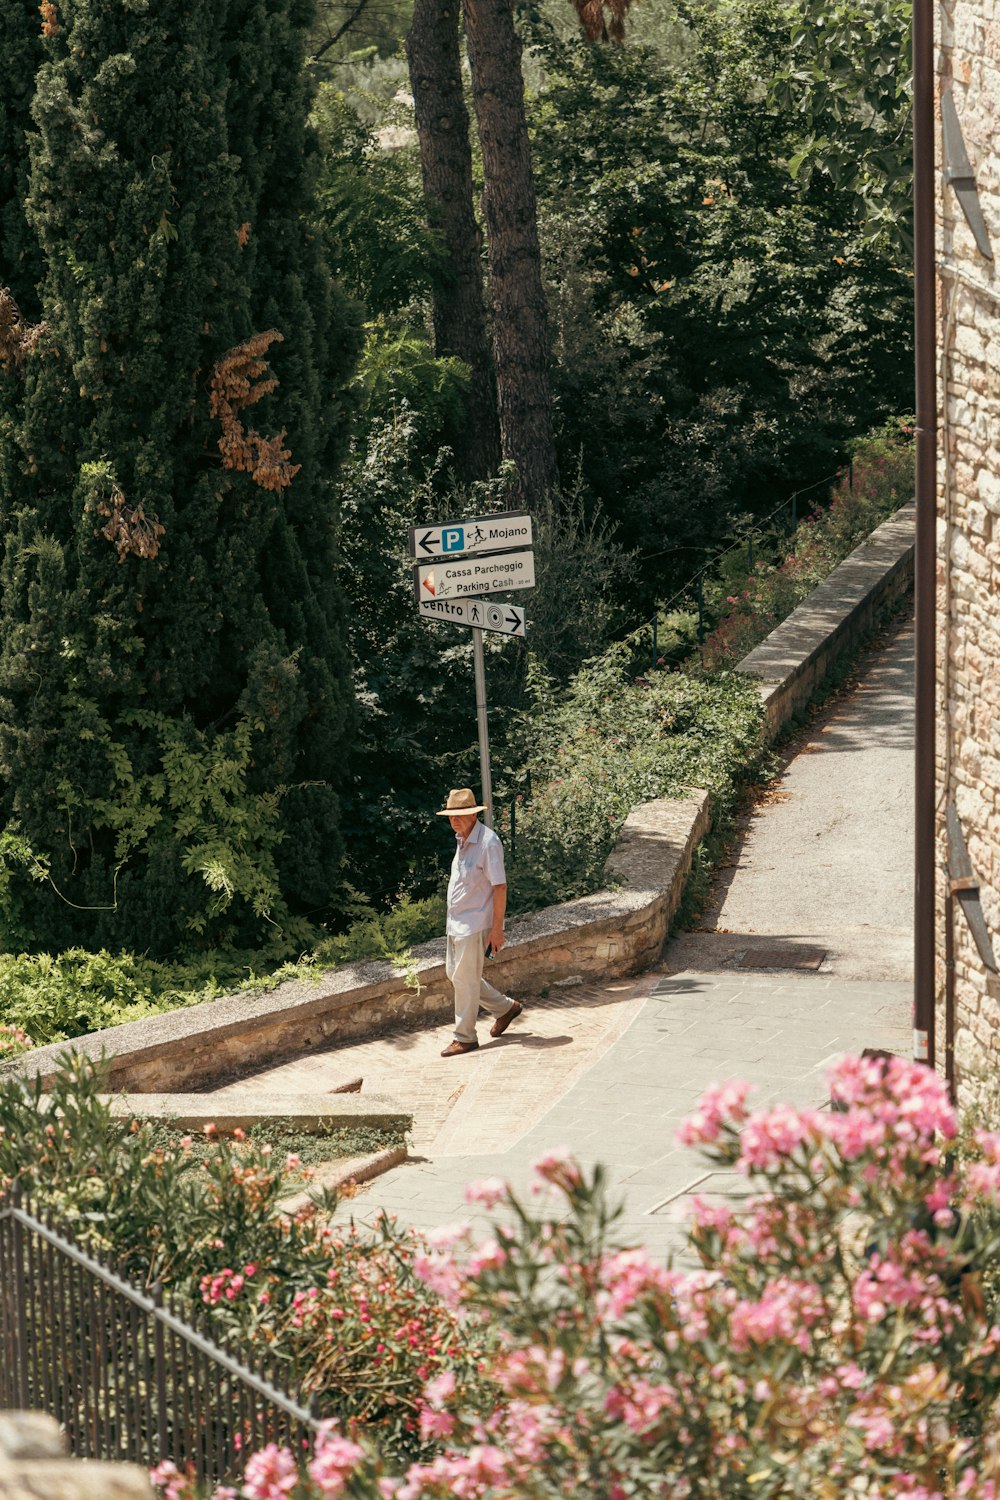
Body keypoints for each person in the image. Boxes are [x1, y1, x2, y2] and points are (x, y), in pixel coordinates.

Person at [436, 787, 523, 1057]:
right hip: (458, 923)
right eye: (451, 815)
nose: (455, 819)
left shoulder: (487, 842)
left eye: (460, 814)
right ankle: (505, 1008)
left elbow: (500, 887)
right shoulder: (462, 839)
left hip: (474, 924)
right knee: (459, 976)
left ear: (473, 814)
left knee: (464, 979)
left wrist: (497, 930)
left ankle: (465, 1037)